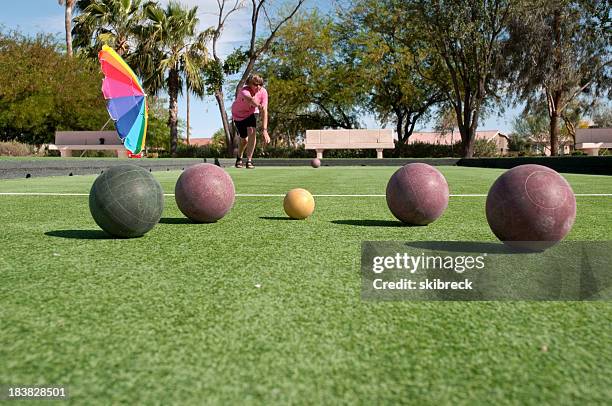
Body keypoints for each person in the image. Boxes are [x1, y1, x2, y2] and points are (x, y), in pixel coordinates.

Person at [231, 74, 270, 169]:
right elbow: (250, 100)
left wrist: (265, 130)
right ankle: (239, 158)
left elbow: (265, 111)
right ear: (249, 84)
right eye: (255, 85)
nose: (258, 87)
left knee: (252, 131)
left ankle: (249, 160)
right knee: (244, 140)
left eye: (260, 84)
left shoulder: (263, 92)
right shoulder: (244, 91)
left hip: (251, 114)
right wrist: (258, 105)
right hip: (238, 116)